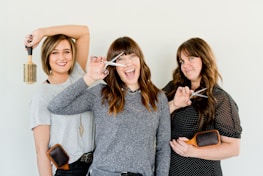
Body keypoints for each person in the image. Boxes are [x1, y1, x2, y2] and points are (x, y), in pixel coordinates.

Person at [47, 36, 171, 176]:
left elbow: (163, 147)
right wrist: (90, 78)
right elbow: (56, 106)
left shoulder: (159, 98)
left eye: (132, 56)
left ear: (140, 60)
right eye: (120, 59)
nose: (128, 63)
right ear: (114, 66)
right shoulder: (101, 94)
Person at [162, 37, 242, 176]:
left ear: (204, 59)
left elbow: (233, 148)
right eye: (182, 61)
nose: (185, 65)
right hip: (169, 171)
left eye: (191, 58)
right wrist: (174, 105)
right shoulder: (173, 89)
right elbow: (149, 117)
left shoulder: (220, 99)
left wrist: (193, 151)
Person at [25, 25, 95, 176]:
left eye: (66, 52)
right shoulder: (42, 95)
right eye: (54, 53)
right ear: (47, 57)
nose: (62, 58)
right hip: (68, 170)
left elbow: (84, 33)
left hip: (95, 166)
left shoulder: (78, 75)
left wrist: (43, 32)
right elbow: (41, 150)